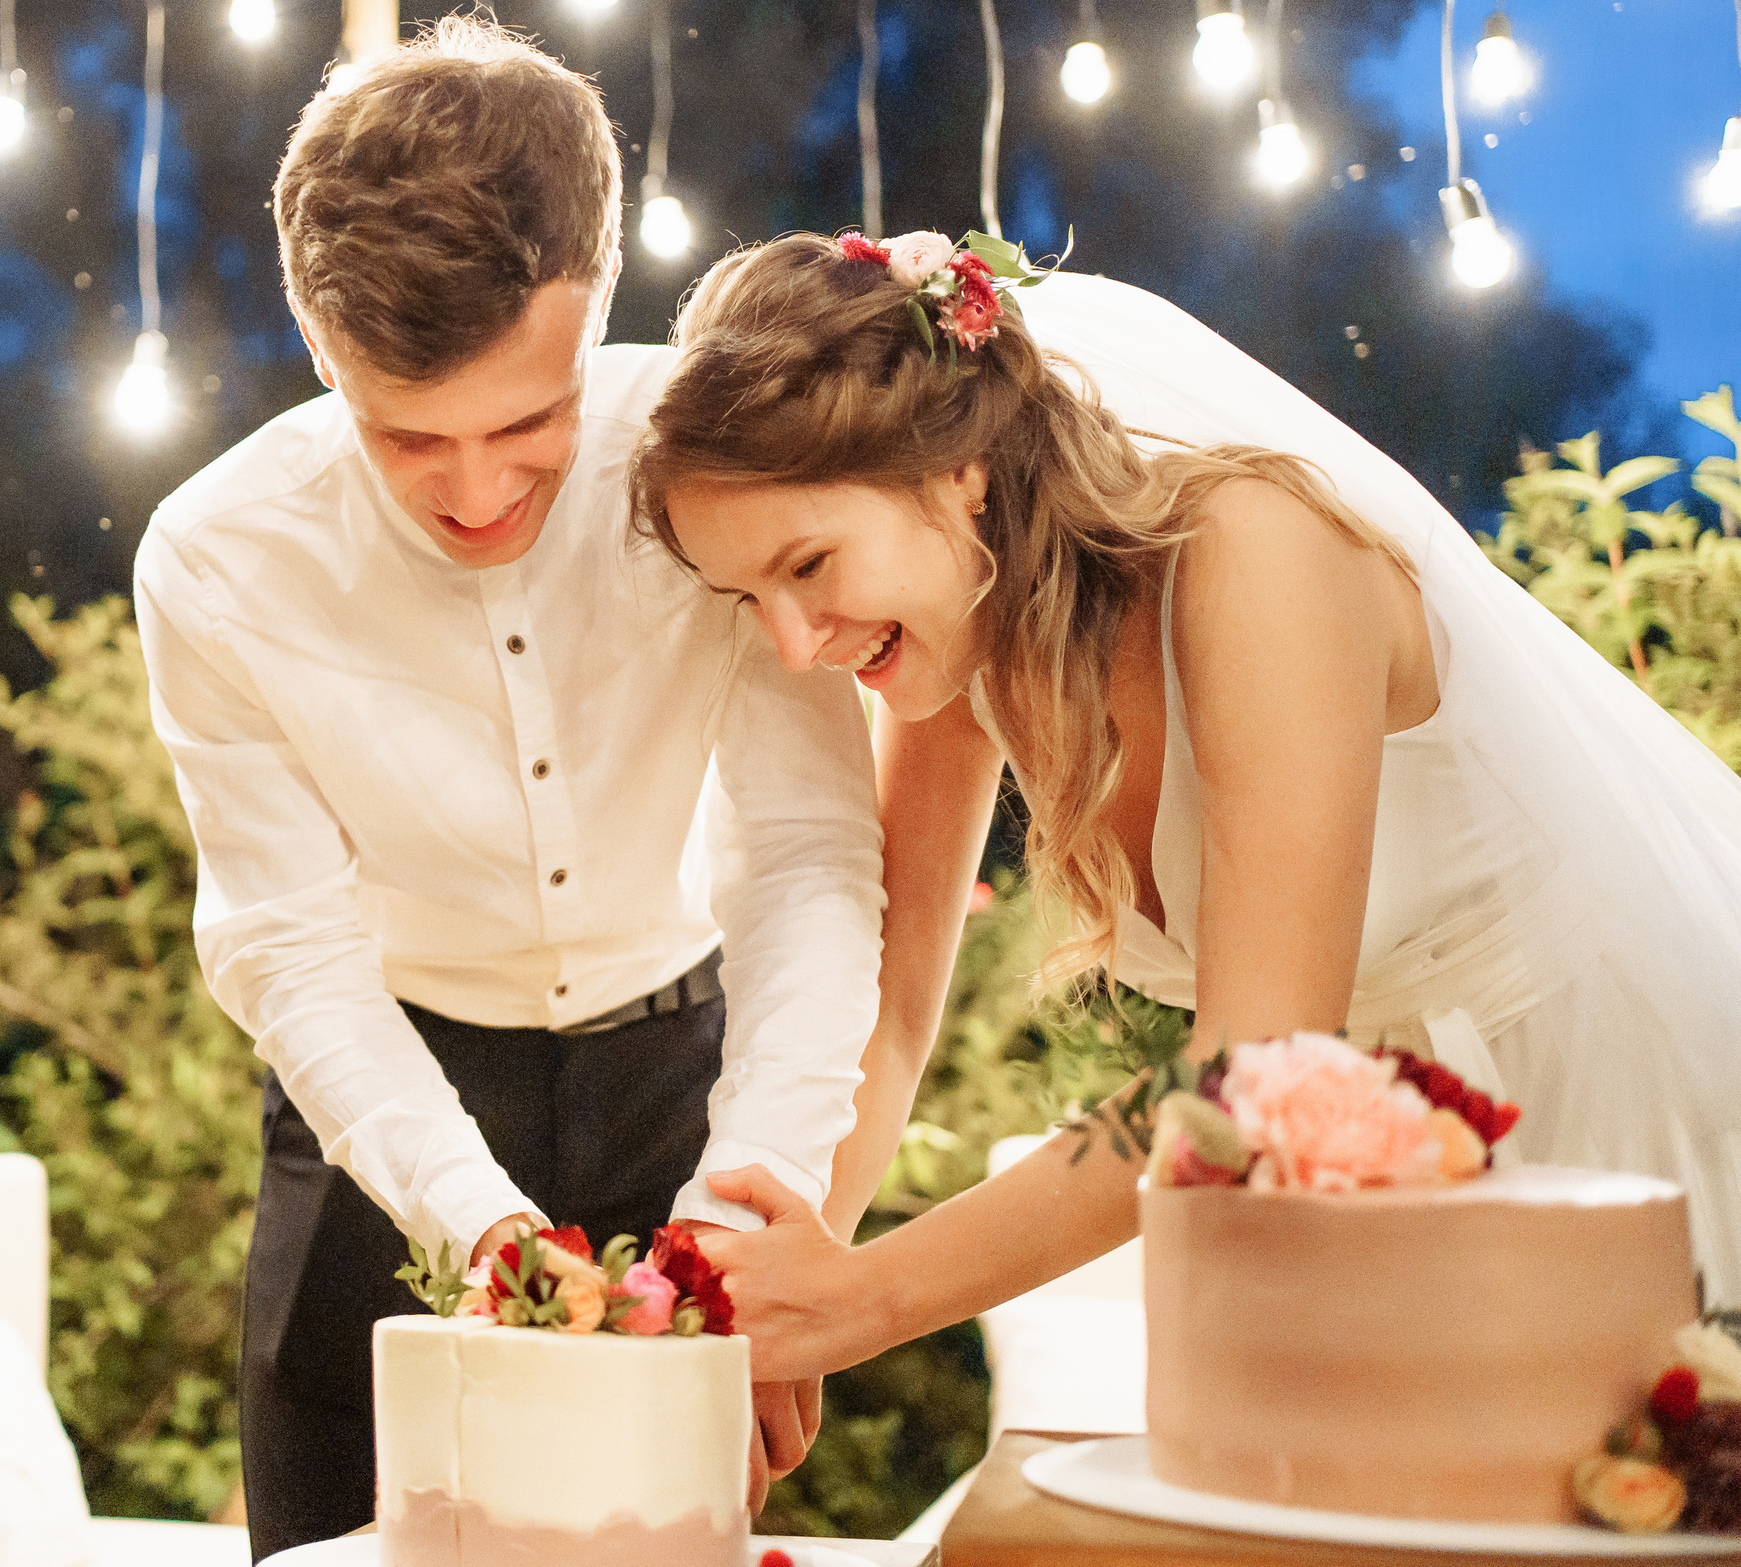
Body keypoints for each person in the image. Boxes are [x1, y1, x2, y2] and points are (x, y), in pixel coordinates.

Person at [626, 229, 1741, 1382]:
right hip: (1375, 1160)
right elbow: (892, 1016)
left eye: (808, 566)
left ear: (956, 473)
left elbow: (1250, 1071)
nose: (792, 646)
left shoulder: (1257, 553)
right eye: (745, 596)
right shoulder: (950, 642)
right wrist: (781, 1308)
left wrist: (869, 1300)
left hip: (1624, 1113)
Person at [132, 22, 891, 1561]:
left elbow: (807, 852)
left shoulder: (714, 466)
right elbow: (289, 946)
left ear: (598, 296)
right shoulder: (217, 562)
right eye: (408, 437)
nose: (476, 491)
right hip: (379, 1105)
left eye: (529, 425)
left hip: (686, 1087)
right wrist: (473, 1222)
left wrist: (760, 1191)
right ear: (320, 342)